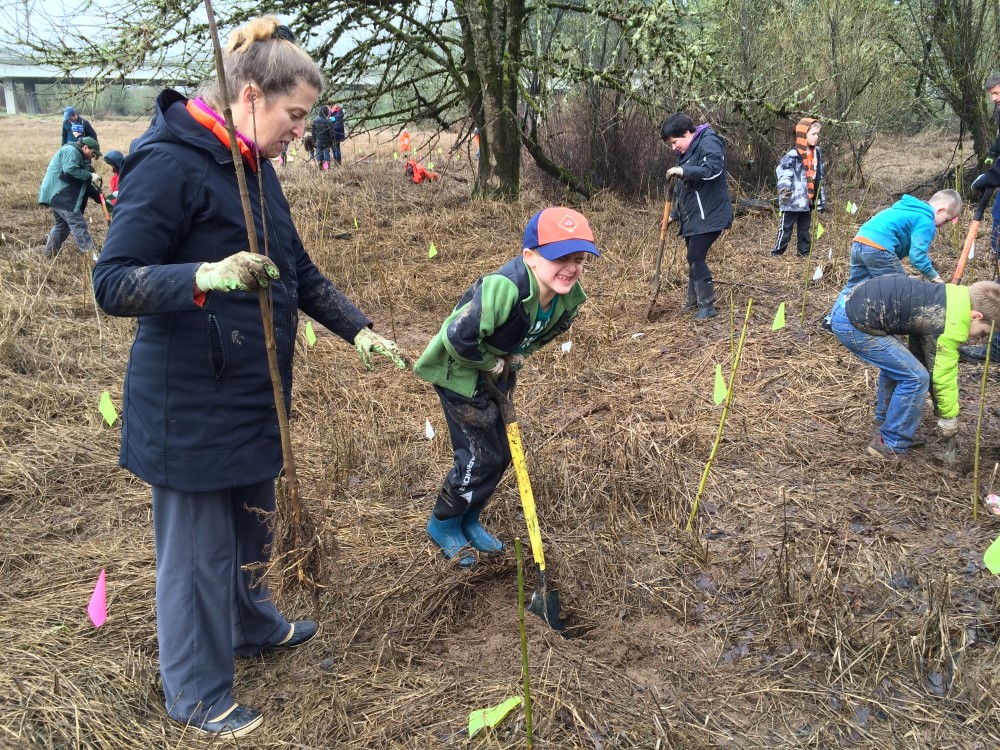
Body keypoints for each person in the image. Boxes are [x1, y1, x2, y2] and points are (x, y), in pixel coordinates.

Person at [91, 17, 408, 740]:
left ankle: (251, 624)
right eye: (296, 116)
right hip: (188, 402)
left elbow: (297, 269)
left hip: (252, 390)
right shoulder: (168, 162)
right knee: (198, 555)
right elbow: (112, 282)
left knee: (252, 526)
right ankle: (197, 692)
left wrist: (358, 328)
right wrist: (203, 275)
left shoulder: (254, 166)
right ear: (253, 95)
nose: (303, 130)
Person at [414, 207, 600, 568]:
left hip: (495, 372)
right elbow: (456, 337)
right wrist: (492, 363)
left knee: (500, 455)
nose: (572, 268)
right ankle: (443, 522)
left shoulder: (568, 298)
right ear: (530, 257)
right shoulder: (503, 288)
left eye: (578, 259)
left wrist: (517, 355)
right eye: (560, 257)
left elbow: (548, 332)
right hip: (458, 372)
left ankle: (469, 518)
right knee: (479, 455)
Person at [830, 275, 1000, 458]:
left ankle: (884, 426)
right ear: (976, 316)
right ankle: (889, 443)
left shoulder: (951, 297)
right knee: (915, 377)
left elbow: (924, 357)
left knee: (904, 368)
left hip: (849, 306)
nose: (979, 338)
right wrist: (948, 417)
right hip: (852, 322)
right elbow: (943, 377)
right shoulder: (950, 324)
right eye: (983, 332)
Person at [826, 190, 962, 329]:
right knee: (900, 289)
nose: (941, 225)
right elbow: (918, 257)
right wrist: (935, 278)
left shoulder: (907, 206)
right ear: (940, 210)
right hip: (879, 248)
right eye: (946, 220)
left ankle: (832, 320)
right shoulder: (926, 220)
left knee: (855, 284)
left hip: (860, 241)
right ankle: (897, 327)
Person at [661, 112, 733, 320]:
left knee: (695, 256)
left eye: (675, 142)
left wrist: (684, 172)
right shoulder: (685, 153)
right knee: (692, 258)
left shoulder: (708, 142)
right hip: (693, 217)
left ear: (686, 133)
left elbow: (714, 169)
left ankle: (707, 307)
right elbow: (684, 190)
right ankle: (692, 302)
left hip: (710, 215)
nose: (674, 147)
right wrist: (674, 214)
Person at [38, 136, 103, 258]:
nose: (93, 157)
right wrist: (89, 175)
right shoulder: (71, 151)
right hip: (61, 195)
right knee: (78, 225)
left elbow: (86, 184)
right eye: (93, 153)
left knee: (61, 227)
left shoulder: (81, 158)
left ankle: (49, 256)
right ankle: (93, 258)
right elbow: (70, 170)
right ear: (85, 147)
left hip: (58, 196)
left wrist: (102, 199)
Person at [770, 117, 826, 257]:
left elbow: (819, 177)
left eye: (817, 134)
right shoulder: (793, 155)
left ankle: (804, 253)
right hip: (793, 200)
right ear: (803, 135)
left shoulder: (817, 153)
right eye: (813, 134)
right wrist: (784, 193)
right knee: (786, 228)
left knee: (804, 229)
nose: (816, 137)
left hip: (808, 200)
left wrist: (820, 199)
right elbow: (784, 174)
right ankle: (777, 253)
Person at [311, 104, 333, 170]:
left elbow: (313, 133)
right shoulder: (328, 121)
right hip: (327, 142)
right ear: (326, 112)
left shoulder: (314, 121)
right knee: (327, 157)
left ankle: (320, 170)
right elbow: (331, 133)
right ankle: (327, 169)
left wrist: (314, 141)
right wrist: (332, 141)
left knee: (319, 157)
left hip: (318, 142)